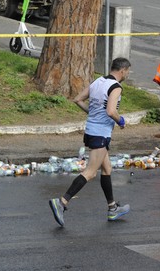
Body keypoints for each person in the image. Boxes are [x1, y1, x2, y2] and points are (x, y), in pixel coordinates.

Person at [48, 57, 131, 226]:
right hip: (101, 134)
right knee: (91, 172)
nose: (127, 74)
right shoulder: (116, 87)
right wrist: (120, 121)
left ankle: (112, 208)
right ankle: (62, 202)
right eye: (128, 71)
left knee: (107, 169)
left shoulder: (98, 81)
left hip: (91, 131)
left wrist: (92, 113)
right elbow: (110, 111)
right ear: (123, 71)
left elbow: (78, 99)